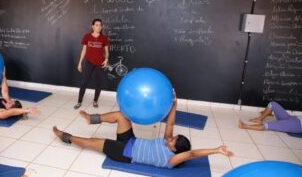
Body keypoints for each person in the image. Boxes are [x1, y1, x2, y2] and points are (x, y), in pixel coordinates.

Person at [55, 90, 233, 168]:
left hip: (125, 154)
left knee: (92, 142)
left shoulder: (171, 160)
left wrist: (217, 150)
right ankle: (91, 119)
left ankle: (66, 137)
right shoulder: (168, 142)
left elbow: (192, 154)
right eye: (172, 138)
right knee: (122, 115)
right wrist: (175, 103)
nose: (169, 139)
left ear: (175, 150)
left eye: (172, 141)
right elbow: (170, 124)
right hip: (130, 141)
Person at [74, 19, 109, 109]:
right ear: (92, 26)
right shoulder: (87, 36)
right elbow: (84, 50)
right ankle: (79, 101)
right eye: (96, 25)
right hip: (89, 62)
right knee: (84, 82)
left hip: (100, 63)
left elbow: (106, 51)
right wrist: (80, 63)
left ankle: (95, 101)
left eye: (100, 25)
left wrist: (106, 59)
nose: (98, 27)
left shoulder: (104, 38)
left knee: (99, 83)